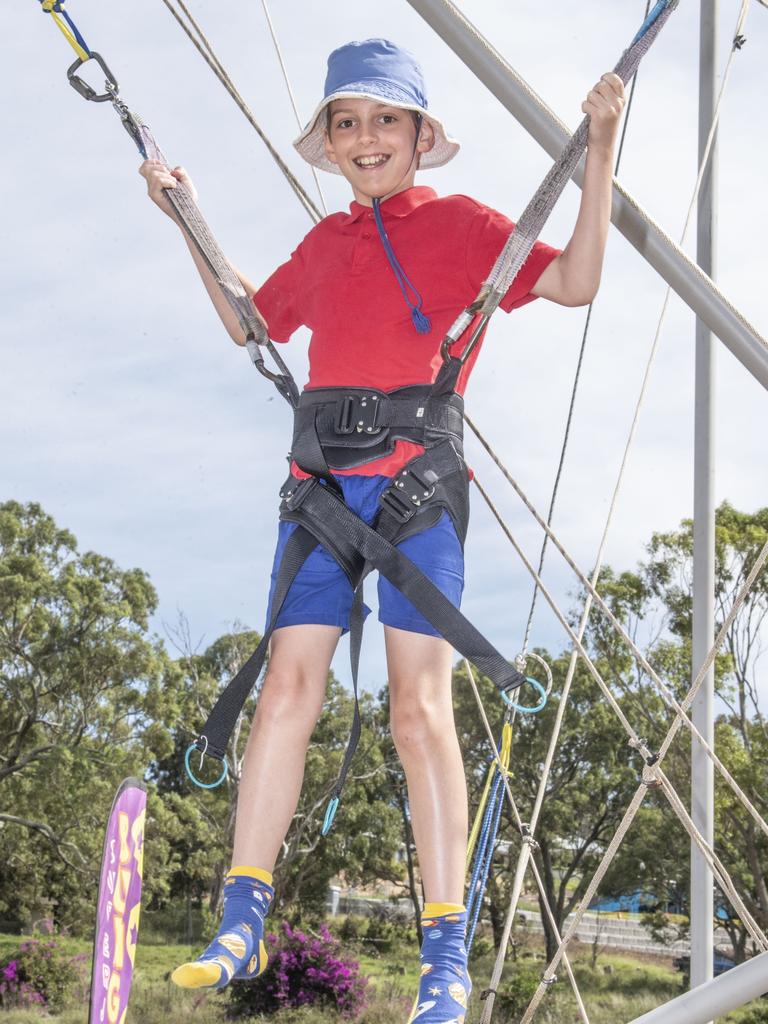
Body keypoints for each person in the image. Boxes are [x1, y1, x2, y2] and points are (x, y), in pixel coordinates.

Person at [140, 38, 625, 1024]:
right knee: (285, 688)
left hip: (416, 492)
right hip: (319, 491)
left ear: (417, 133)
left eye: (384, 119)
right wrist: (185, 216)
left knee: (418, 709)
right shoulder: (326, 245)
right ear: (333, 141)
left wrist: (602, 147)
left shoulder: (461, 226)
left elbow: (574, 280)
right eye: (347, 123)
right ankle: (242, 912)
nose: (366, 138)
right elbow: (251, 321)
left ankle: (444, 958)